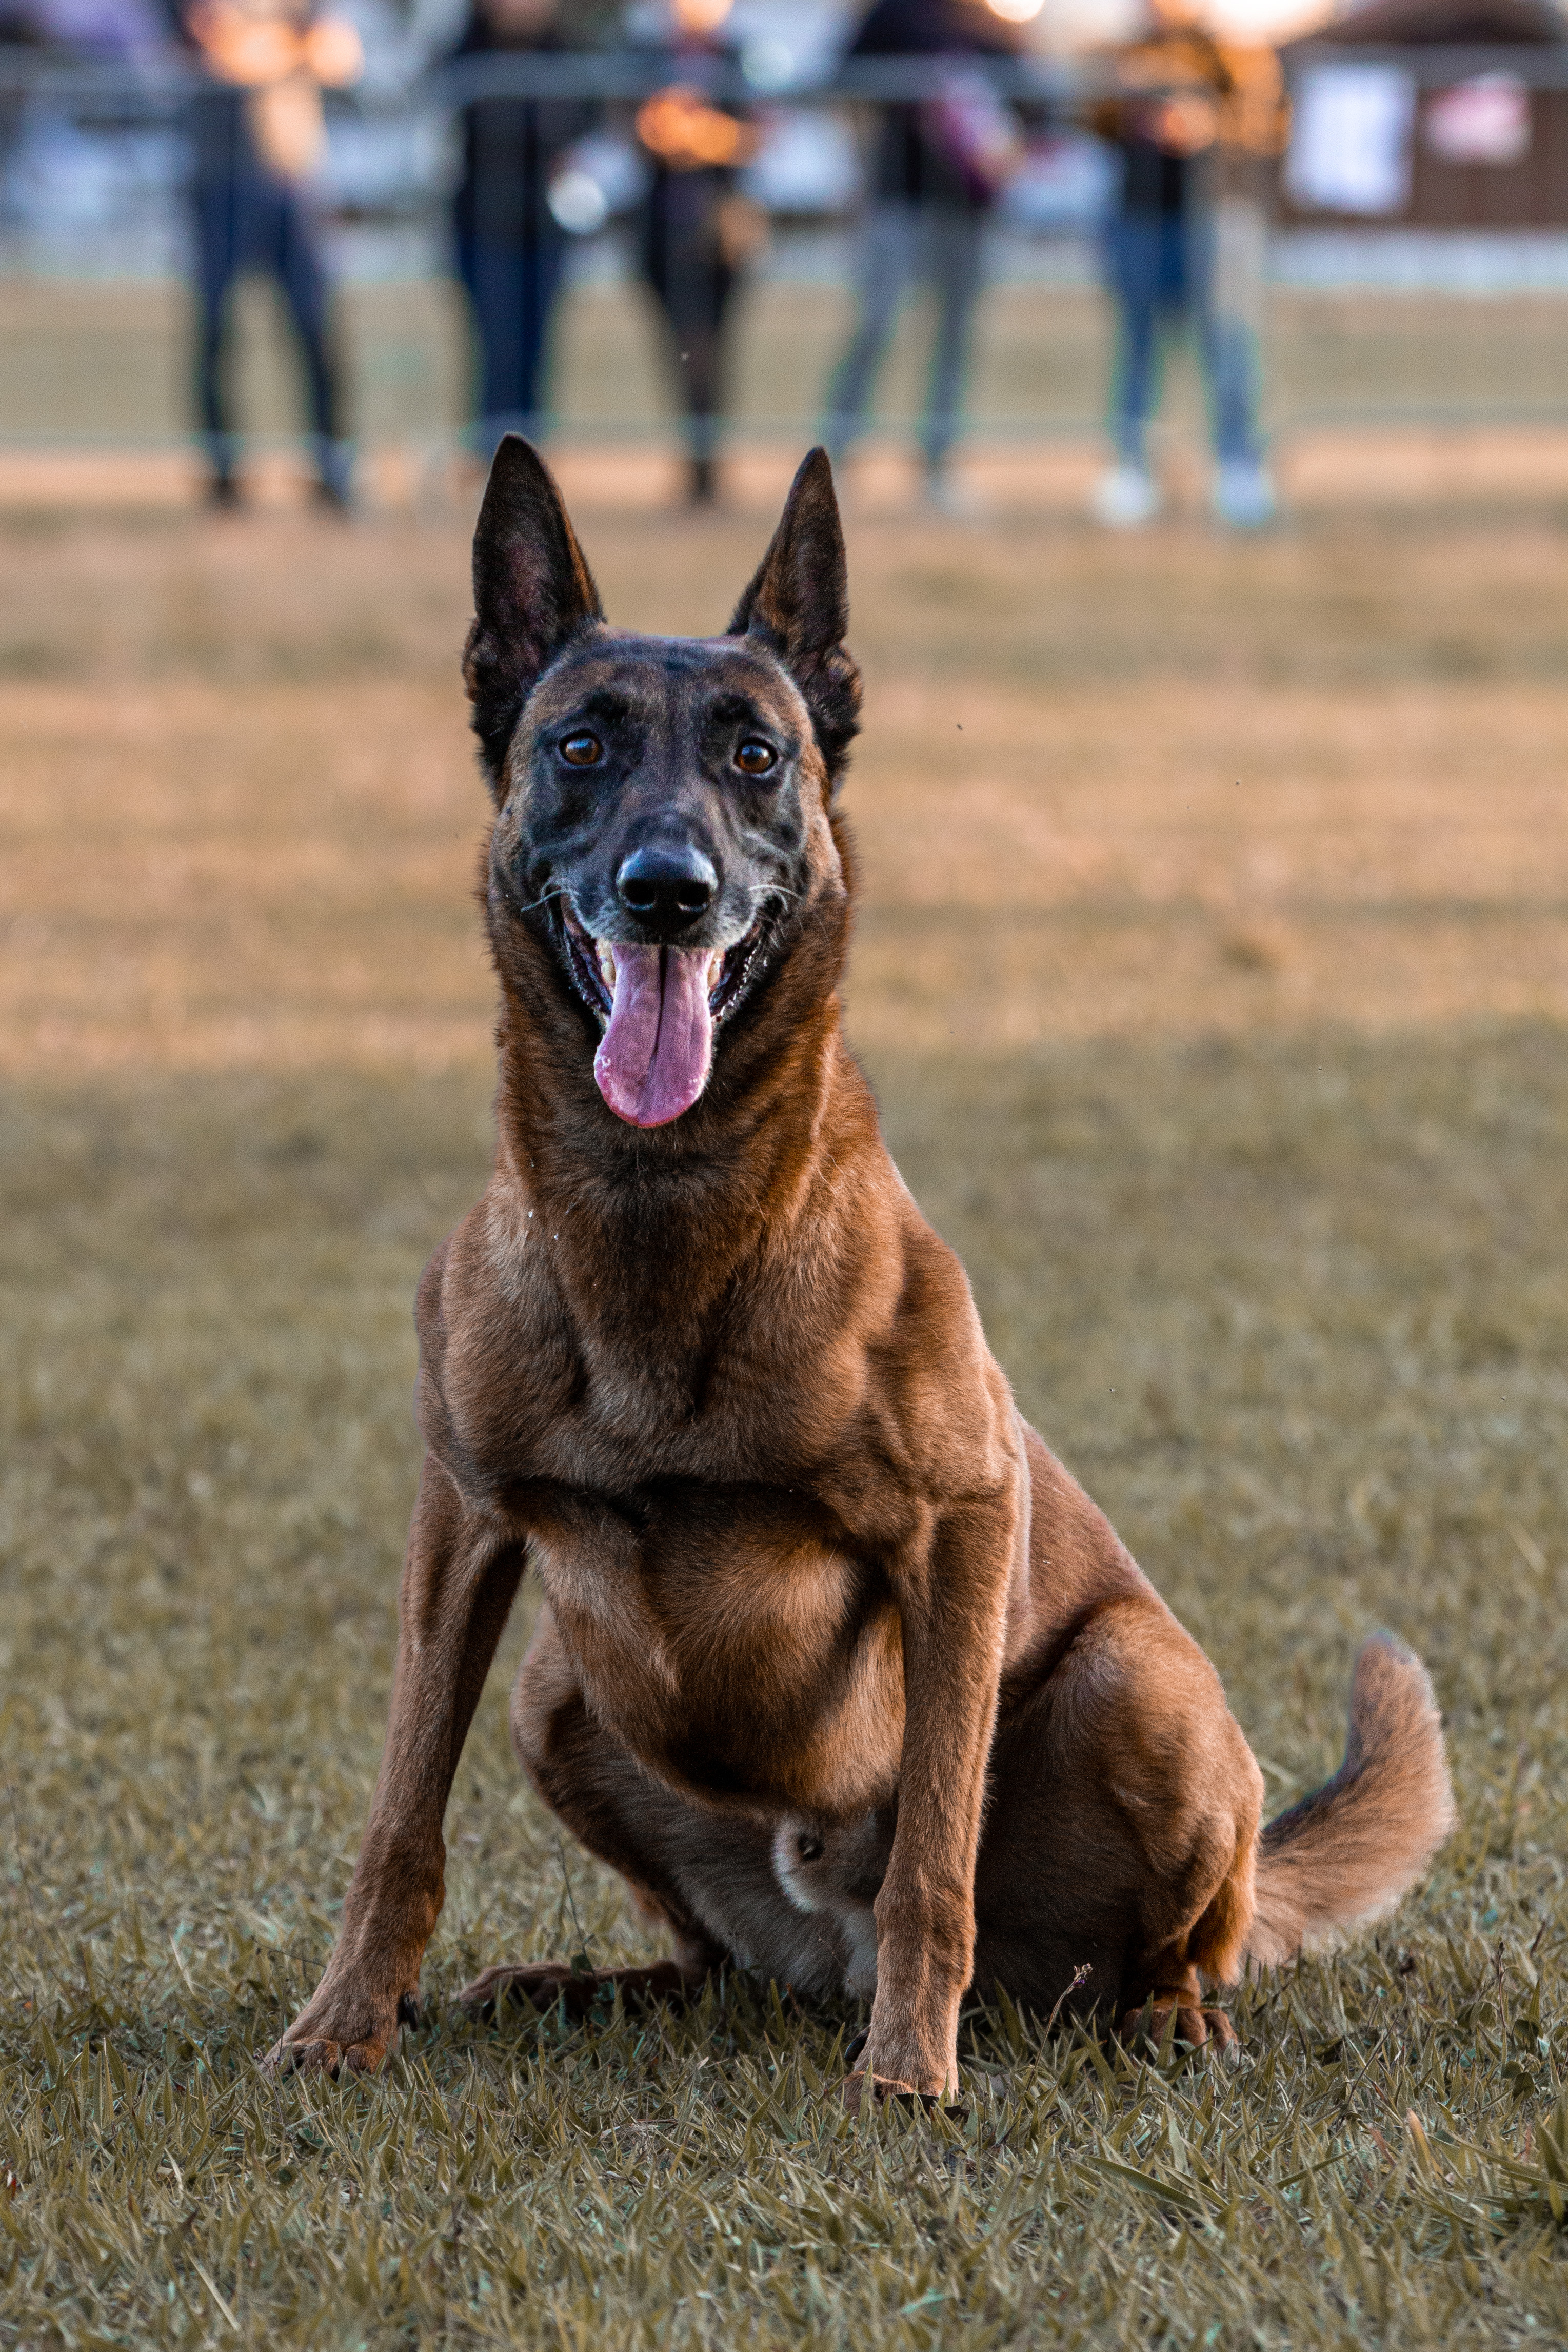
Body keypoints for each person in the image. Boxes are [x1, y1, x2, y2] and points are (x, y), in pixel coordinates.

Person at [823, 0, 1029, 513]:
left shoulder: (991, 22)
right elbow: (840, 75)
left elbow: (1027, 95)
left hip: (965, 202)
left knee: (955, 334)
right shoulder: (896, 12)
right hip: (900, 194)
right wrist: (909, 87)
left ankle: (937, 462)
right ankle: (835, 460)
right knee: (875, 323)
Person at [1088, 0, 1286, 529]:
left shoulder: (1229, 52)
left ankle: (1239, 466)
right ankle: (1132, 469)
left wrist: (1207, 124)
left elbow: (1263, 120)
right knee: (1139, 346)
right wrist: (1125, 94)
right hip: (1138, 216)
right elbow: (1092, 120)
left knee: (1227, 346)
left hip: (1213, 218)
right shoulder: (1121, 50)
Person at [180, 0, 362, 508]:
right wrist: (291, 44)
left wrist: (278, 43)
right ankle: (222, 473)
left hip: (294, 181)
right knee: (217, 334)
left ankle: (332, 466)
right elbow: (225, 57)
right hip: (223, 182)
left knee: (317, 329)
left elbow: (341, 57)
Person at [631, 0, 762, 507]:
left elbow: (757, 133)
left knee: (715, 346)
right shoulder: (646, 57)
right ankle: (696, 464)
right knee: (682, 346)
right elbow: (638, 129)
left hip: (722, 227)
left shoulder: (740, 58)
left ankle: (708, 468)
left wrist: (701, 136)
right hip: (661, 226)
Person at [450, 0, 592, 461]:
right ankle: (491, 454)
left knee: (536, 346)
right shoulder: (467, 45)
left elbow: (580, 119)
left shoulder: (563, 50)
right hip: (481, 221)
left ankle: (529, 459)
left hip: (542, 223)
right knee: (496, 343)